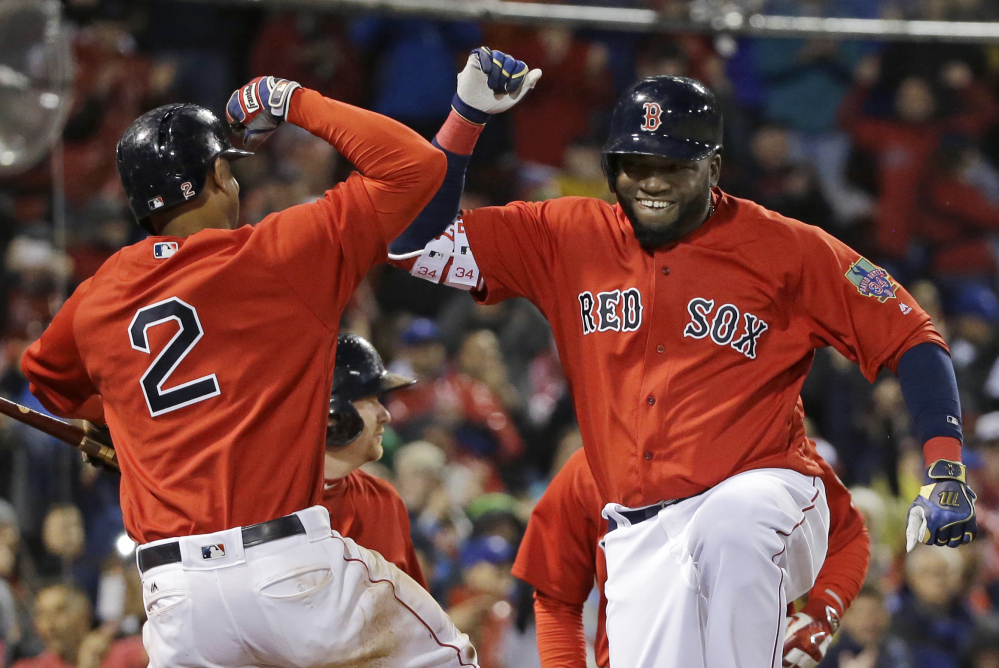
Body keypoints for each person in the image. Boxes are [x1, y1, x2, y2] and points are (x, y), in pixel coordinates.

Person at [391, 74, 976, 667]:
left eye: (673, 166)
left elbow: (912, 336)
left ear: (714, 167)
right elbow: (418, 248)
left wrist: (945, 465)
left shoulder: (786, 248)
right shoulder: (565, 235)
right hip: (638, 531)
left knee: (732, 522)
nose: (650, 181)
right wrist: (465, 118)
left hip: (766, 493)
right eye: (634, 163)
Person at [19, 49, 539, 668]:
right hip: (287, 569)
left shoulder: (97, 294)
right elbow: (415, 166)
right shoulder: (276, 254)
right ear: (218, 176)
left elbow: (46, 380)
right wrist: (289, 97)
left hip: (177, 596)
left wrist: (132, 430)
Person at [510, 447, 869, 668]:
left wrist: (821, 615)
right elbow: (556, 599)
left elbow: (847, 533)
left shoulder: (765, 438)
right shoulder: (589, 468)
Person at [321, 333, 427, 588]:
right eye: (371, 400)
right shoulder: (271, 500)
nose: (386, 415)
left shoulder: (384, 501)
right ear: (332, 413)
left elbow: (416, 617)